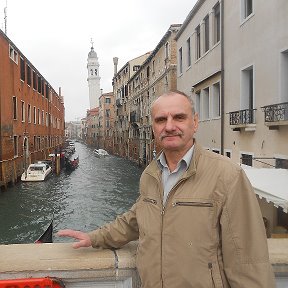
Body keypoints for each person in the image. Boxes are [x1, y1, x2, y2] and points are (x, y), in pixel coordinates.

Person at [57, 91, 275, 287]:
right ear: (154, 127)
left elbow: (248, 260)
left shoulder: (227, 175)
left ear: (195, 123)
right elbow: (134, 220)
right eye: (161, 119)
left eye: (179, 117)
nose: (169, 126)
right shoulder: (151, 174)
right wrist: (94, 238)